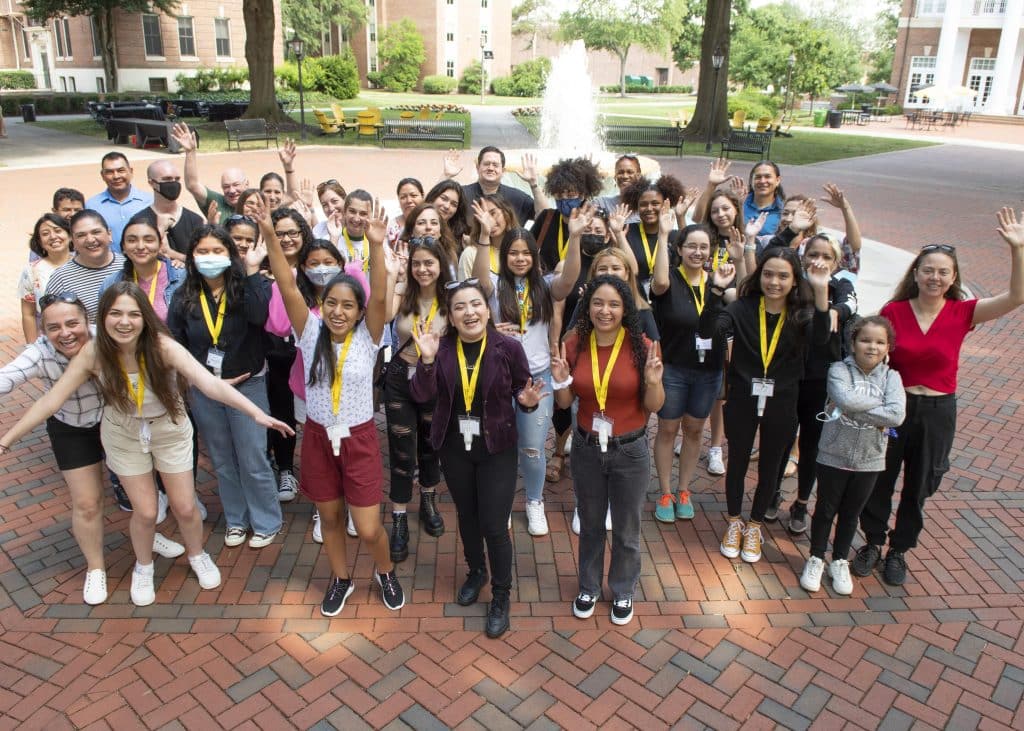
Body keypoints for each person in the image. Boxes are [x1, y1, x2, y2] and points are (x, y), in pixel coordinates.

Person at [0, 283, 293, 606]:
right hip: (123, 433)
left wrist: (256, 414)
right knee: (146, 510)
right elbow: (50, 402)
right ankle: (144, 566)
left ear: (144, 318)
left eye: (133, 314)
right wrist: (6, 441)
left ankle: (197, 555)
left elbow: (209, 384)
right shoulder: (94, 351)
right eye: (115, 314)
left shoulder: (162, 346)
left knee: (184, 506)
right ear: (104, 317)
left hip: (169, 429)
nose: (124, 322)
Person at [855, 208, 1024, 586]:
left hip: (937, 411)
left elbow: (1017, 296)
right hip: (895, 410)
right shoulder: (893, 312)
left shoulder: (963, 312)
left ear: (953, 278)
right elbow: (871, 352)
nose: (934, 277)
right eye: (928, 269)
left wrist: (1018, 248)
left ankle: (899, 550)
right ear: (915, 274)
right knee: (880, 477)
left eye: (943, 271)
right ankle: (872, 542)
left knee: (920, 484)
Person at [259, 195, 407, 616]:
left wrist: (376, 247)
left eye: (348, 306)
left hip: (359, 440)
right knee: (330, 517)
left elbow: (379, 295)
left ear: (360, 312)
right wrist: (270, 236)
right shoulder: (309, 333)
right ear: (321, 306)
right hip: (319, 437)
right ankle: (341, 578)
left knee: (368, 526)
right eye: (331, 304)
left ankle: (385, 570)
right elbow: (287, 284)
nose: (338, 312)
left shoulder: (369, 336)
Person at [0, 294, 186, 604]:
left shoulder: (109, 337)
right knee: (87, 503)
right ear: (43, 330)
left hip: (120, 425)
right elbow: (8, 378)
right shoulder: (40, 353)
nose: (66, 333)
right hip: (71, 429)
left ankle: (149, 537)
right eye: (54, 327)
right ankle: (96, 568)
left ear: (87, 321)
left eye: (73, 323)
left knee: (143, 500)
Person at [409, 279, 545, 637]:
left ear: (487, 310)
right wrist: (425, 360)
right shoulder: (440, 349)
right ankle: (476, 571)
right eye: (459, 307)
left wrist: (526, 403)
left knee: (494, 524)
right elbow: (422, 396)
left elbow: (522, 389)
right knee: (467, 517)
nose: (469, 312)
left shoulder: (508, 348)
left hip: (496, 447)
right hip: (454, 447)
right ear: (450, 317)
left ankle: (501, 593)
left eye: (475, 305)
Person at [700, 248, 831, 564]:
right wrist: (715, 291)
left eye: (783, 275)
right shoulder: (743, 308)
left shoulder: (802, 313)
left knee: (771, 466)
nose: (775, 282)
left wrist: (822, 289)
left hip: (783, 400)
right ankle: (734, 521)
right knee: (739, 461)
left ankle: (755, 525)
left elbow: (822, 339)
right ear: (759, 276)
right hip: (743, 397)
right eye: (769, 274)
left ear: (794, 280)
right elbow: (706, 331)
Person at [551, 275, 665, 626]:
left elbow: (655, 406)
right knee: (590, 523)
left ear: (625, 309)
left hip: (629, 451)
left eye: (614, 304)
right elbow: (566, 401)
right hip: (586, 447)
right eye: (598, 303)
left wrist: (655, 381)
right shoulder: (574, 343)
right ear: (588, 306)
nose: (605, 310)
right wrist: (560, 379)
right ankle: (588, 586)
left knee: (628, 528)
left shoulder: (642, 346)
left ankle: (623, 588)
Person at [167, 225, 284, 549]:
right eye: (202, 252)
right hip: (206, 391)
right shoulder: (184, 295)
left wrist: (249, 273)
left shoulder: (248, 284)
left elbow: (260, 316)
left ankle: (266, 520)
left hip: (248, 385)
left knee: (252, 457)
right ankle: (236, 519)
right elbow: (176, 342)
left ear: (231, 255)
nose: (210, 258)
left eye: (217, 251)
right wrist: (197, 377)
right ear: (191, 257)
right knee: (222, 459)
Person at [474, 211, 583, 536]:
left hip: (537, 379)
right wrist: (483, 234)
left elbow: (570, 279)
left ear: (534, 256)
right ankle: (504, 501)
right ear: (504, 255)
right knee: (500, 447)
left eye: (525, 253)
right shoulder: (493, 286)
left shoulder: (547, 286)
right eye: (513, 252)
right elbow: (480, 276)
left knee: (534, 448)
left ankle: (534, 501)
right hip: (498, 381)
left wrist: (574, 237)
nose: (519, 258)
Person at [800, 316, 905, 595]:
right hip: (833, 453)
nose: (872, 347)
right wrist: (876, 407)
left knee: (850, 513)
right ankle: (816, 557)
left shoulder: (892, 377)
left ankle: (840, 560)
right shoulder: (838, 370)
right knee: (825, 509)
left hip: (870, 459)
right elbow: (844, 399)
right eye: (865, 340)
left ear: (888, 347)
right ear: (853, 343)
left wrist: (853, 408)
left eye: (880, 342)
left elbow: (896, 415)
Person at [650, 217, 745, 523]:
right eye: (691, 245)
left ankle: (683, 489)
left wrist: (740, 260)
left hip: (709, 371)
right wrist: (664, 233)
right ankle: (665, 491)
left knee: (694, 430)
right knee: (667, 429)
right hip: (675, 368)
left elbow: (743, 295)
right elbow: (659, 281)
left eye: (704, 247)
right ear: (679, 248)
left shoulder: (717, 281)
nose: (698, 252)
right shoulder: (668, 281)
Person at [769, 234, 857, 533]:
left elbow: (849, 305)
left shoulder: (840, 286)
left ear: (836, 262)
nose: (818, 261)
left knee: (811, 446)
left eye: (826, 256)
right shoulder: (793, 283)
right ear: (803, 257)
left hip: (821, 380)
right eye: (812, 255)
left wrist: (831, 309)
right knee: (780, 439)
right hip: (789, 376)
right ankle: (772, 493)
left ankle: (802, 503)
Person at [383, 232, 453, 561]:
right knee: (401, 449)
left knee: (430, 445)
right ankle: (399, 516)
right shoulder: (403, 291)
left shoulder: (452, 298)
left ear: (441, 264)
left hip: (434, 379)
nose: (422, 269)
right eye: (417, 263)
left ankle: (427, 498)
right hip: (399, 377)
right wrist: (392, 275)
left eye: (429, 263)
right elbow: (384, 315)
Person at [45, 210, 126, 320]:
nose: (90, 239)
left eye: (96, 232)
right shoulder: (61, 278)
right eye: (81, 235)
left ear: (109, 234)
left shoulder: (128, 266)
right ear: (73, 242)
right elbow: (52, 321)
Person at [618, 175, 691, 296]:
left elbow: (689, 250)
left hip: (670, 299)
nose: (649, 208)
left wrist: (681, 217)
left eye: (655, 203)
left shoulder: (673, 235)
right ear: (636, 206)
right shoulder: (626, 232)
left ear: (665, 205)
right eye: (643, 204)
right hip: (635, 299)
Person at [531, 157, 602, 273]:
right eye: (559, 195)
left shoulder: (595, 222)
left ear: (583, 194)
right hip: (546, 284)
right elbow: (527, 246)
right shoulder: (546, 218)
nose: (564, 199)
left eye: (570, 194)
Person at [172, 122, 248, 225]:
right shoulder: (216, 203)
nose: (231, 190)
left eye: (236, 185)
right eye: (226, 186)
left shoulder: (257, 203)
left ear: (246, 184)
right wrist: (190, 152)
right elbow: (192, 185)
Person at [447, 146, 542, 228]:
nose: (491, 168)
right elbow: (435, 209)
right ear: (477, 167)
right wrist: (446, 176)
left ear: (503, 171)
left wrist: (534, 184)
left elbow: (545, 217)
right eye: (486, 164)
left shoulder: (518, 198)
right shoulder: (461, 194)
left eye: (495, 165)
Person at [85, 152, 154, 251]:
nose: (116, 176)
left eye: (121, 170)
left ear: (131, 171)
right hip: (107, 265)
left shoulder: (150, 201)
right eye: (109, 172)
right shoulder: (91, 206)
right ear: (102, 175)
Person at [19, 214, 72, 342]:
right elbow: (28, 314)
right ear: (39, 242)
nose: (53, 236)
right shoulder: (31, 271)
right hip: (49, 341)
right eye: (45, 233)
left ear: (70, 235)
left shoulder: (85, 264)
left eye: (58, 230)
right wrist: (32, 347)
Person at [145, 160, 204, 260]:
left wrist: (173, 255)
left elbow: (204, 259)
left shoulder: (195, 220)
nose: (173, 183)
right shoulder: (140, 220)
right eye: (167, 179)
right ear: (152, 183)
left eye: (177, 179)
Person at [459, 195, 519, 279]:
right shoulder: (471, 253)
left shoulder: (522, 251)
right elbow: (464, 290)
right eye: (483, 216)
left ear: (506, 213)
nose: (488, 220)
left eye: (493, 213)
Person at [595, 154, 643, 224]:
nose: (625, 176)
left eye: (630, 172)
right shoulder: (602, 203)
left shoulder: (646, 204)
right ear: (615, 177)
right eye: (620, 172)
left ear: (639, 176)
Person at [425, 179, 470, 250]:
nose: (447, 206)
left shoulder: (461, 238)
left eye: (453, 204)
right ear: (433, 197)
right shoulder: (417, 225)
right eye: (444, 199)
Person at [386, 178, 424, 246]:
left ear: (422, 196)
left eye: (414, 195)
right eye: (403, 197)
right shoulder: (391, 227)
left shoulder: (431, 223)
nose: (409, 200)